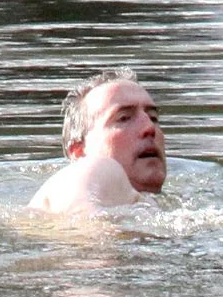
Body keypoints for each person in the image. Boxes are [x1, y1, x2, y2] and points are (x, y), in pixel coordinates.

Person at [29, 68, 167, 212]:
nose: (150, 128)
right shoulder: (96, 169)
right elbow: (84, 227)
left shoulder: (161, 204)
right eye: (124, 118)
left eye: (153, 118)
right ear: (80, 152)